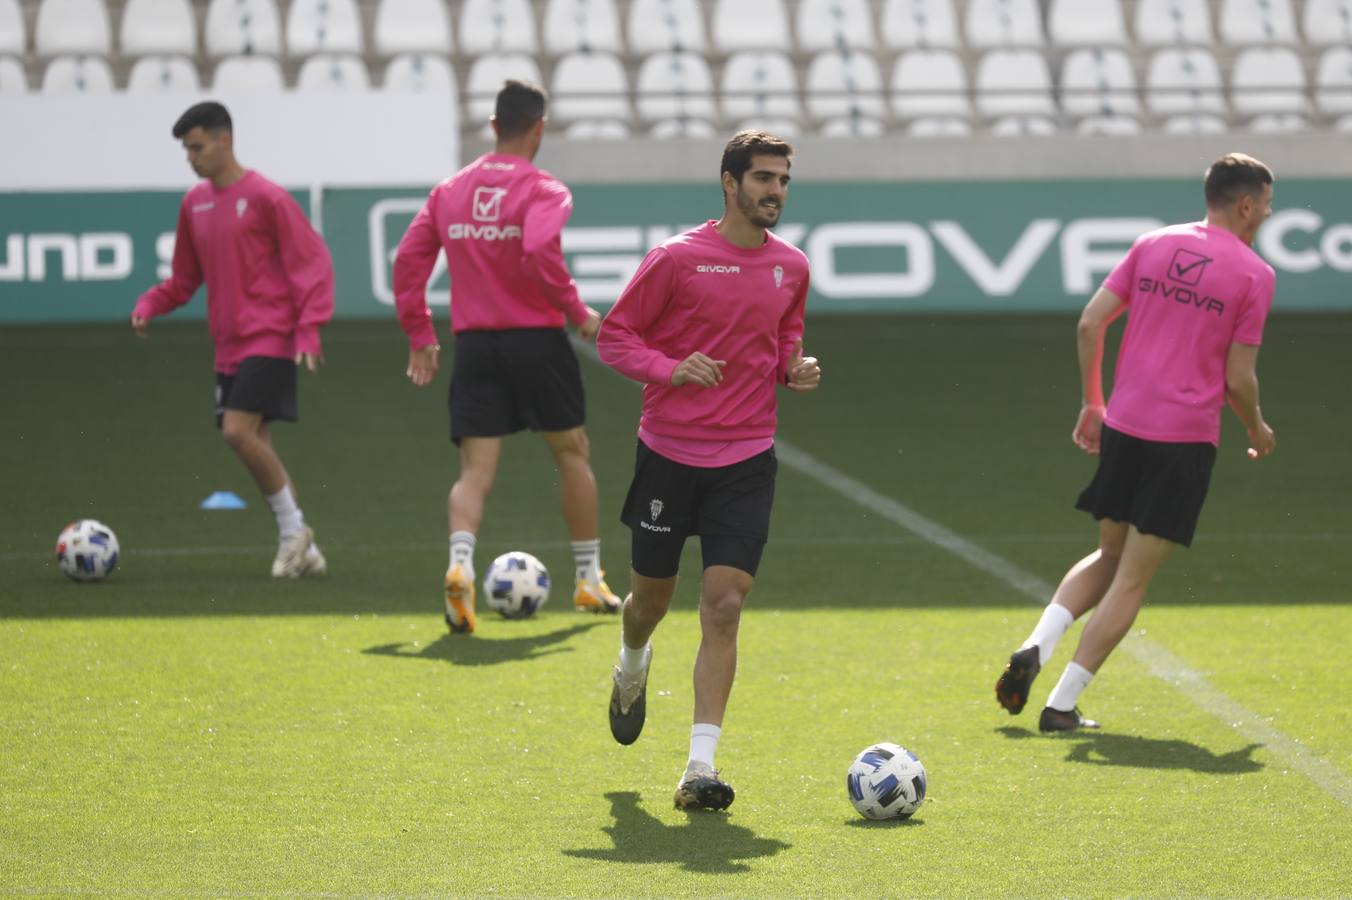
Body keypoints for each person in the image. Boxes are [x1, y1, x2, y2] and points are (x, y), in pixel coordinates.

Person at [995, 152, 1278, 732]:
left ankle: (1036, 644)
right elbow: (1237, 379)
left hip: (1125, 424)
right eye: (1268, 205)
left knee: (1109, 553)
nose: (1268, 215)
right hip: (1184, 439)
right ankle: (1062, 705)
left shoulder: (1153, 244)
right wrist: (1256, 427)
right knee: (1132, 578)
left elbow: (1090, 323)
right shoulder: (1254, 275)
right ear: (1247, 204)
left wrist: (1093, 402)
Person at [597, 130, 822, 810]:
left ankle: (700, 769)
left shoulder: (792, 266)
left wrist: (794, 366)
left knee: (724, 606)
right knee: (649, 605)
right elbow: (614, 337)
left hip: (747, 460)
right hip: (668, 456)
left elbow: (785, 334)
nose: (775, 190)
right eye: (762, 178)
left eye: (783, 179)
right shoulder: (676, 259)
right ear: (730, 182)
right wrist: (671, 368)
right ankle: (631, 665)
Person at [392, 79, 622, 636]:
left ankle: (461, 564)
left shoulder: (449, 191)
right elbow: (540, 252)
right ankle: (589, 579)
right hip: (536, 342)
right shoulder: (545, 190)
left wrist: (421, 333)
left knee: (475, 470)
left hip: (476, 344)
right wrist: (578, 311)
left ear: (494, 127)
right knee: (572, 452)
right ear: (539, 128)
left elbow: (407, 262)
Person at [131, 101, 333, 579]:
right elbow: (184, 277)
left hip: (271, 336)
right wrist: (152, 303)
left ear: (226, 140)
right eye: (187, 150)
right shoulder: (194, 204)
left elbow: (312, 263)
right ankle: (303, 544)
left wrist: (308, 329)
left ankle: (292, 533)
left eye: (197, 147)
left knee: (237, 431)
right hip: (228, 345)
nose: (191, 157)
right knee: (255, 441)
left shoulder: (267, 198)